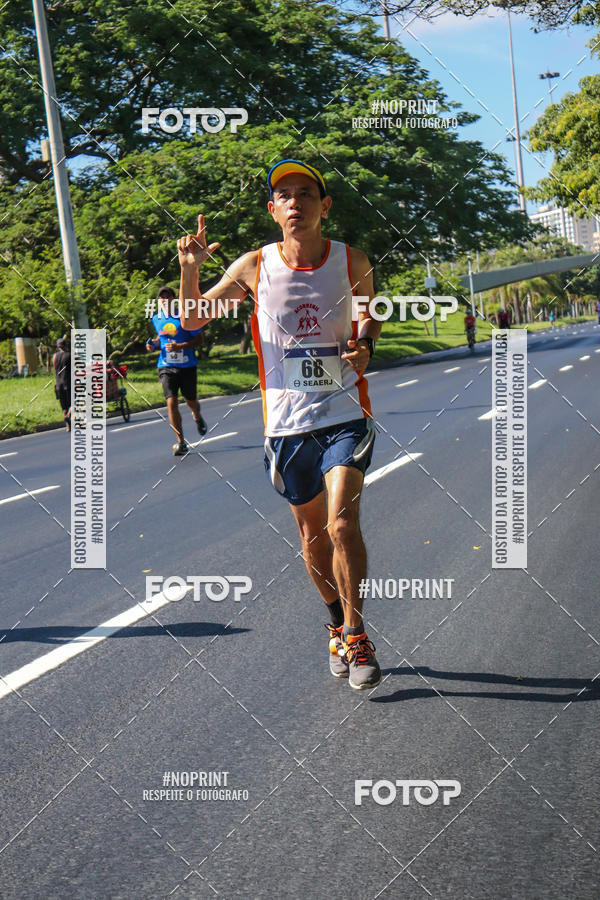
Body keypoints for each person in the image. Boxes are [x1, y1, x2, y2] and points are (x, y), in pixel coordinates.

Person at [178, 159, 382, 690]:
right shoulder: (254, 265)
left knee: (342, 524)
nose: (295, 202)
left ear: (324, 205)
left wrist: (364, 346)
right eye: (284, 195)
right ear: (273, 210)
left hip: (344, 415)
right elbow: (193, 318)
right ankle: (337, 622)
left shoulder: (352, 260)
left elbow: (369, 315)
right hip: (286, 425)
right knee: (314, 537)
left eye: (305, 193)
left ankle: (357, 635)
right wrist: (191, 267)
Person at [146, 286, 207, 455]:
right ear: (158, 301)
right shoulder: (156, 318)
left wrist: (179, 346)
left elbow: (199, 339)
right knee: (171, 402)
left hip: (187, 365)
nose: (164, 300)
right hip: (166, 365)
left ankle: (197, 415)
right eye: (161, 298)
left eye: (168, 297)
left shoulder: (185, 317)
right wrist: (153, 344)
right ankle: (181, 442)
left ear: (174, 300)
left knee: (190, 401)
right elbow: (160, 337)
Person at [52, 337, 71, 432]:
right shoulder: (69, 355)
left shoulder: (54, 357)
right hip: (68, 383)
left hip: (58, 385)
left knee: (64, 406)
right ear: (66, 345)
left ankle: (68, 426)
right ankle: (68, 416)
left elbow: (55, 369)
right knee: (73, 403)